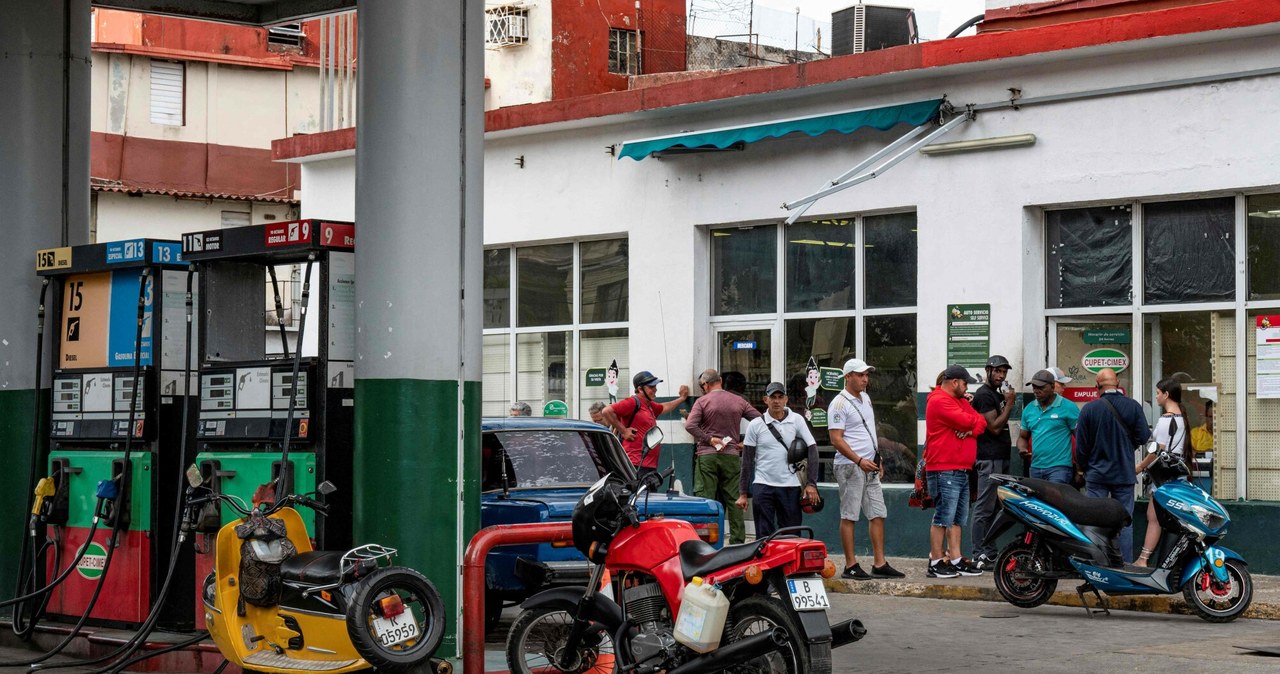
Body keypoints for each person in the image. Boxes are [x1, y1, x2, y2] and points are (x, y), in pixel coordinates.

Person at [827, 358, 903, 580]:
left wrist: (876, 458)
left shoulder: (866, 398)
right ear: (847, 376)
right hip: (850, 465)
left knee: (878, 512)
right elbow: (836, 439)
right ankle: (850, 565)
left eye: (867, 375)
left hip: (868, 464)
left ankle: (879, 563)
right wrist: (859, 460)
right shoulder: (838, 404)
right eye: (860, 375)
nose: (865, 379)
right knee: (850, 515)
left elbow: (868, 431)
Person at [1075, 368, 1151, 564]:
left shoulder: (1089, 410)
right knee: (1124, 523)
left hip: (1097, 476)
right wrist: (1127, 447)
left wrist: (1084, 468)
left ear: (1097, 386)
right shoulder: (1133, 406)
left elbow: (1081, 447)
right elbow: (1143, 437)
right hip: (1124, 474)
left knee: (1093, 522)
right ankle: (1123, 565)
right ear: (1118, 384)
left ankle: (1096, 564)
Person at [924, 364, 988, 578]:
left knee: (958, 518)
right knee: (943, 516)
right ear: (954, 382)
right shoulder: (938, 400)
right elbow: (968, 420)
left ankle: (956, 558)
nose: (966, 386)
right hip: (944, 468)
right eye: (964, 382)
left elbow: (981, 423)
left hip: (961, 468)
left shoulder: (959, 401)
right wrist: (969, 425)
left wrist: (969, 429)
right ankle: (935, 561)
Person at [685, 368, 762, 544]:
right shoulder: (739, 401)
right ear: (720, 380)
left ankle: (707, 543)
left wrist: (709, 439)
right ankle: (737, 543)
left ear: (706, 384)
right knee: (735, 500)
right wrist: (746, 443)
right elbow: (759, 420)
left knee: (707, 501)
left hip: (707, 456)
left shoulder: (702, 402)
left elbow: (690, 426)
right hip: (731, 456)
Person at [737, 382, 819, 539]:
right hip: (763, 485)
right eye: (773, 397)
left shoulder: (797, 420)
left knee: (792, 535)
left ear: (786, 399)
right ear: (765, 399)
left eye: (780, 397)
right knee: (763, 535)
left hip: (790, 486)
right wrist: (743, 493)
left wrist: (811, 484)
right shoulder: (755, 425)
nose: (776, 401)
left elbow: (812, 449)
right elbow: (746, 461)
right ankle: (766, 564)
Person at [1134, 377, 1190, 567]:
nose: (1156, 396)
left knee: (1154, 518)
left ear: (1166, 395)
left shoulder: (1167, 420)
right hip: (1177, 475)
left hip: (1163, 477)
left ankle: (1143, 560)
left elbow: (1158, 449)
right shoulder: (1182, 418)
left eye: (1158, 393)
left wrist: (1139, 467)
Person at [970, 355, 1017, 569]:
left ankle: (989, 552)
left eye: (1004, 372)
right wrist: (1010, 404)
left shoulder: (995, 394)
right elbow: (995, 427)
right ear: (988, 370)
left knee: (994, 508)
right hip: (989, 458)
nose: (1001, 375)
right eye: (997, 371)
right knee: (984, 508)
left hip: (1000, 456)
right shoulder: (984, 395)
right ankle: (979, 553)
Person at [601, 370, 690, 481]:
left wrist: (682, 398)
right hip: (635, 463)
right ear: (640, 389)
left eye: (655, 386)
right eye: (651, 387)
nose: (655, 389)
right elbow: (606, 411)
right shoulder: (633, 402)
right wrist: (623, 431)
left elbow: (665, 407)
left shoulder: (649, 405)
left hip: (649, 465)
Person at [1017, 369, 1079, 484]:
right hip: (1035, 467)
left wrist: (1080, 470)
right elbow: (1023, 437)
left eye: (1041, 387)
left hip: (1060, 468)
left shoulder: (1068, 407)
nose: (1036, 391)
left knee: (1054, 501)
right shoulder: (1029, 409)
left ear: (1052, 386)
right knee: (1037, 502)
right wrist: (1022, 449)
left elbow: (1080, 438)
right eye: (1034, 387)